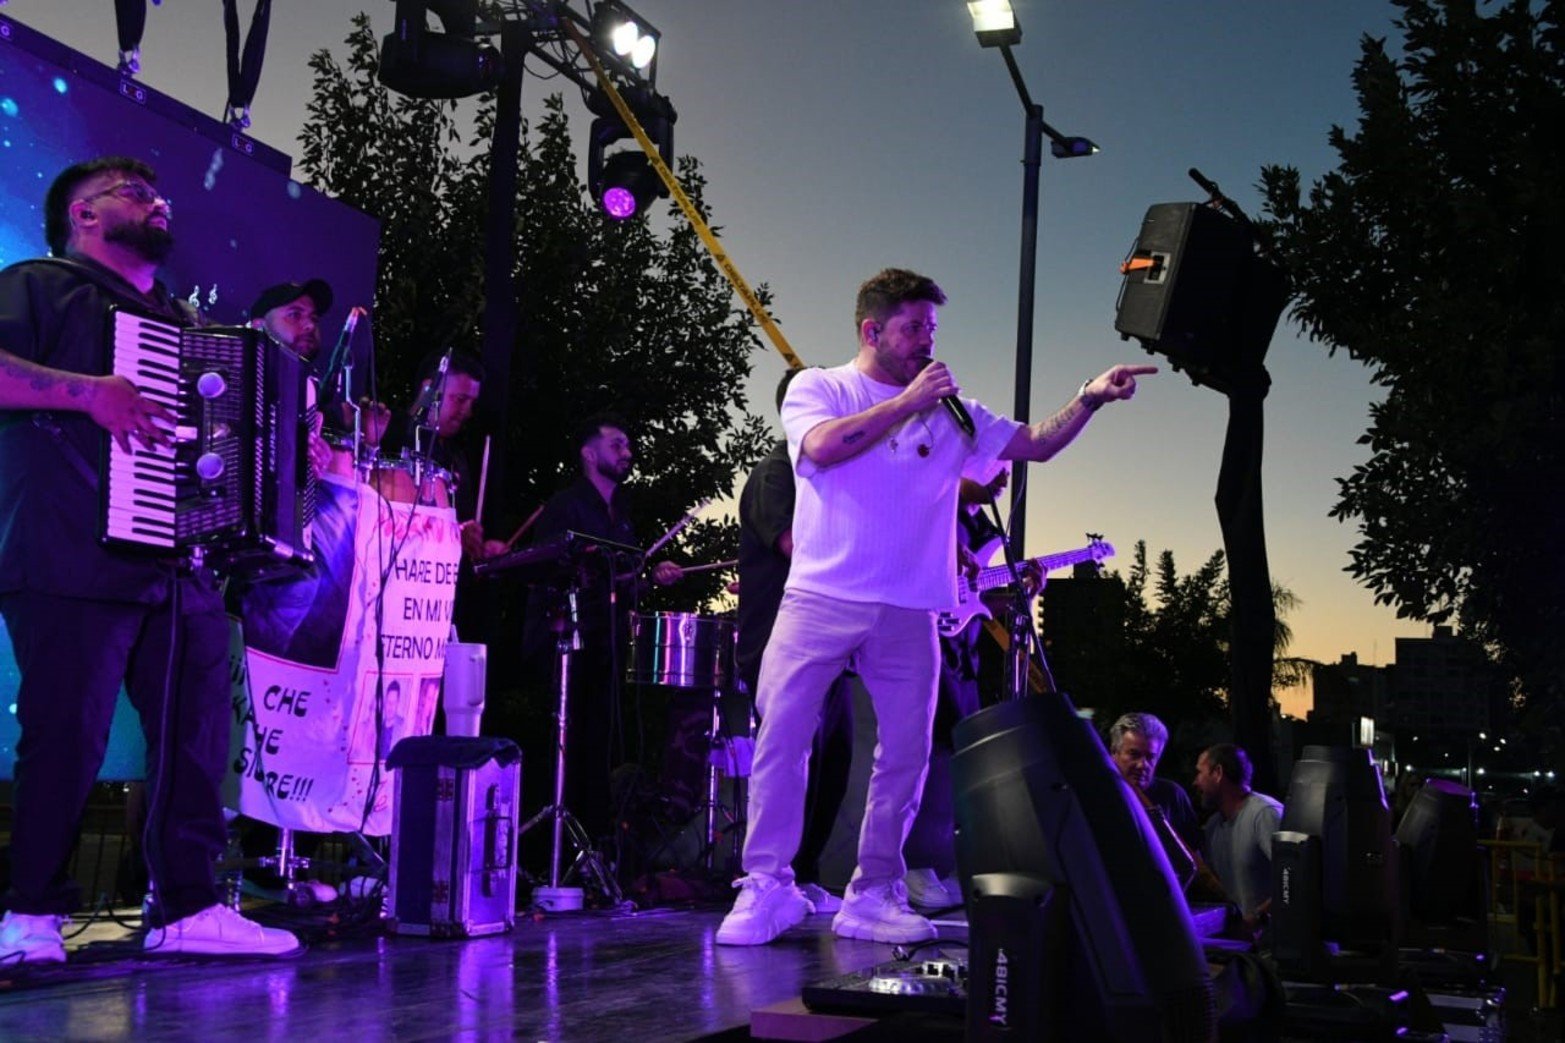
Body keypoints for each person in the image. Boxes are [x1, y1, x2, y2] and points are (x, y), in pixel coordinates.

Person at [716, 267, 1155, 946]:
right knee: (783, 739)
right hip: (820, 595)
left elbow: (1034, 442)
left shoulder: (953, 414)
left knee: (906, 755)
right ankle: (766, 886)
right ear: (871, 329)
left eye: (931, 328)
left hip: (908, 608)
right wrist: (906, 401)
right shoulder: (820, 388)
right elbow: (825, 447)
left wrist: (1089, 398)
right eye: (912, 326)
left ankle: (872, 891)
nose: (926, 340)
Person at [0, 156, 299, 962]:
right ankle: (29, 913)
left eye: (160, 194)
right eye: (134, 192)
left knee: (197, 737)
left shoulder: (180, 325)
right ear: (83, 216)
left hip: (177, 562)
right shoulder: (37, 284)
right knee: (67, 734)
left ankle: (188, 905)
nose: (156, 201)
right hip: (67, 548)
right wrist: (89, 391)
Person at [521, 414, 683, 848]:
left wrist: (652, 579)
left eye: (627, 445)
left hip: (604, 643)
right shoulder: (565, 507)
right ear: (589, 454)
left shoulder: (621, 514)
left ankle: (589, 849)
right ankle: (549, 852)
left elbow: (621, 586)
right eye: (617, 445)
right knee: (563, 748)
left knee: (597, 747)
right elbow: (547, 572)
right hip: (566, 644)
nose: (627, 453)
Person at [736, 368, 852, 916]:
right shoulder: (775, 473)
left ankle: (802, 876)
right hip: (777, 638)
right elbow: (792, 544)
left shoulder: (821, 473)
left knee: (836, 754)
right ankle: (772, 881)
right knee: (790, 758)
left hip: (827, 638)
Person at [1192, 742, 1284, 932]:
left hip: (1278, 947)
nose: (1195, 782)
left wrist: (1257, 918)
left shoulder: (1264, 814)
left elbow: (1295, 878)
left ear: (1217, 773)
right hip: (1245, 947)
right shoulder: (1213, 826)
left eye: (1200, 773)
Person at [1108, 712, 1202, 853]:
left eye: (1150, 757)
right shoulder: (1100, 795)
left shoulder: (1173, 796)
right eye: (1134, 754)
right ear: (1114, 753)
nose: (1142, 765)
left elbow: (1194, 854)